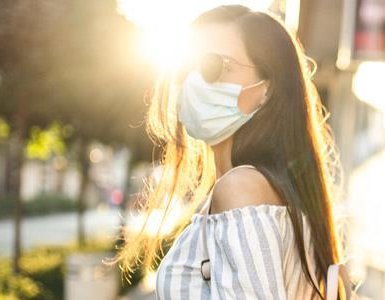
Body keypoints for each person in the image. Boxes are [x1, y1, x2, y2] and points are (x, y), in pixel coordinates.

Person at [116, 5, 349, 299]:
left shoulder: (242, 189)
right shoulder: (265, 190)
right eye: (185, 68)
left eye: (212, 66)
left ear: (267, 87)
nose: (193, 82)